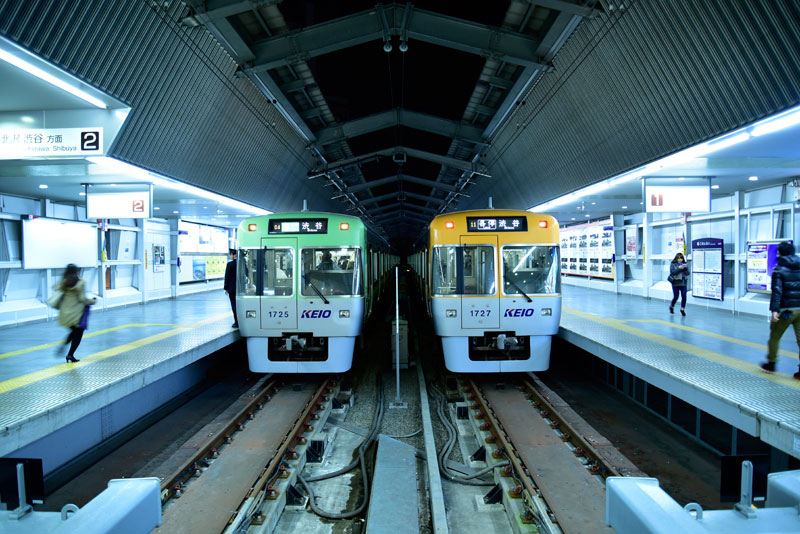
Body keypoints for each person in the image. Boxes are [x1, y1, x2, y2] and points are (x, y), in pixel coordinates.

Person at [761, 241, 800, 377]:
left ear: (780, 253)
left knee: (775, 337)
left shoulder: (779, 269)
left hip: (786, 310)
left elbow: (777, 291)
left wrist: (775, 310)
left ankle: (771, 363)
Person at [56, 264, 96, 363]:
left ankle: (65, 346)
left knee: (73, 331)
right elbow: (82, 299)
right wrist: (92, 301)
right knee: (78, 333)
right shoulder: (80, 283)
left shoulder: (63, 283)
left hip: (65, 313)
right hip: (76, 314)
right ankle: (70, 354)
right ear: (76, 272)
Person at [224, 249, 238, 328]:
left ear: (233, 255)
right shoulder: (241, 264)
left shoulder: (230, 264)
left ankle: (236, 322)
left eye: (230, 254)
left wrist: (225, 287)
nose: (230, 256)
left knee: (234, 305)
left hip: (232, 289)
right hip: (240, 289)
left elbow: (227, 277)